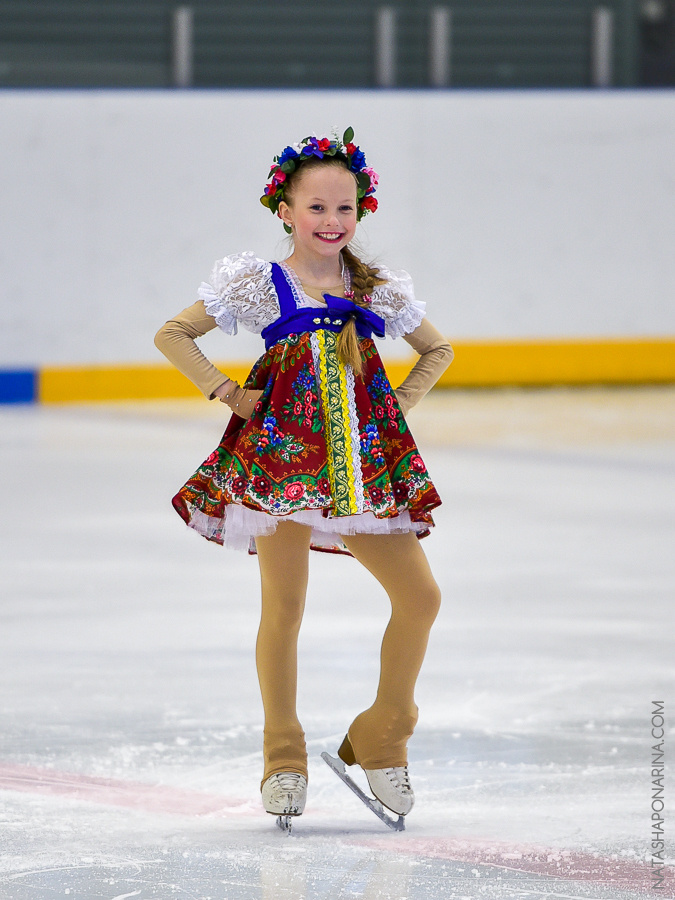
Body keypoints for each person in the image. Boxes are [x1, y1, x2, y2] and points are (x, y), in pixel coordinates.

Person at [154, 128, 453, 824]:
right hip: (277, 468)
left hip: (357, 473)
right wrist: (226, 392)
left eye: (344, 209)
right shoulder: (258, 285)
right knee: (284, 609)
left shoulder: (374, 289)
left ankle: (382, 735)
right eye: (316, 208)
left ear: (360, 211)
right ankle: (282, 758)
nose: (331, 222)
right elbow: (172, 333)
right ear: (284, 209)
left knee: (420, 598)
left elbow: (435, 349)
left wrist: (395, 407)